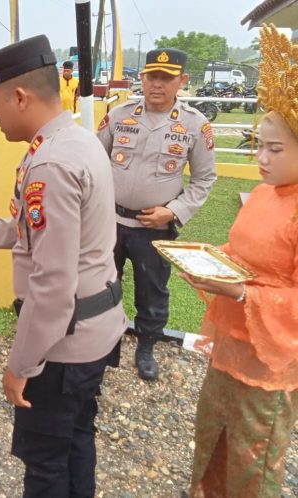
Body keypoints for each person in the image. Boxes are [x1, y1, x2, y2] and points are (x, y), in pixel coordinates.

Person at [0, 34, 127, 497]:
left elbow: (52, 284)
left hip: (62, 348)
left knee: (44, 460)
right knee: (76, 441)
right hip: (93, 330)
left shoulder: (52, 163)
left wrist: (21, 364)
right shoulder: (76, 142)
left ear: (19, 96)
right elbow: (31, 228)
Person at [181, 24, 298, 498]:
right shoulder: (267, 196)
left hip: (268, 364)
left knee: (256, 456)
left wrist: (244, 291)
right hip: (231, 346)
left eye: (275, 149)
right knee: (213, 436)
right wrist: (213, 260)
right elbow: (245, 253)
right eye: (258, 146)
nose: (261, 159)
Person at [97, 48, 217, 381]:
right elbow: (93, 159)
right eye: (152, 77)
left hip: (154, 227)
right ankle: (105, 341)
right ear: (143, 78)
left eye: (166, 78)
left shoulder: (194, 124)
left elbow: (205, 178)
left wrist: (173, 211)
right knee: (104, 282)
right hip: (110, 221)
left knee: (152, 289)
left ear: (182, 81)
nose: (157, 84)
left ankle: (146, 345)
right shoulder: (120, 115)